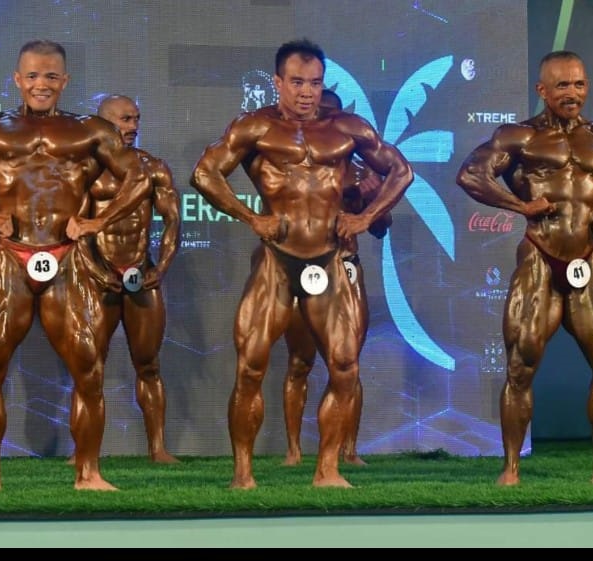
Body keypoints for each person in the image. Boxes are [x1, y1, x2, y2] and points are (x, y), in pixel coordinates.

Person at [191, 38, 413, 488]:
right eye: (297, 82)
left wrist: (365, 217)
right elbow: (204, 173)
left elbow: (401, 170)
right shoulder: (255, 127)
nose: (306, 92)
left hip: (329, 260)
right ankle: (243, 474)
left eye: (314, 83)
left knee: (345, 366)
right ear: (278, 82)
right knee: (250, 367)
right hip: (277, 261)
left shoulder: (346, 128)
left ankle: (327, 469)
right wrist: (251, 217)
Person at [456, 51, 593, 486]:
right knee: (521, 364)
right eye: (562, 86)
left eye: (579, 84)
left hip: (586, 260)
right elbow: (471, 174)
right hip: (539, 255)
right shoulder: (520, 137)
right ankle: (511, 470)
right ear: (542, 90)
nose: (572, 93)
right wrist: (520, 205)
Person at [0, 40, 150, 491]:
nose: (41, 84)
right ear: (17, 79)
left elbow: (139, 176)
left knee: (88, 368)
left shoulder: (89, 131)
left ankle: (89, 474)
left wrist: (99, 220)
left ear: (65, 81)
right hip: (11, 256)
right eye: (32, 76)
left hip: (66, 257)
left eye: (50, 76)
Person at [282, 89, 392, 467]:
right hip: (297, 265)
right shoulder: (289, 162)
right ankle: (294, 451)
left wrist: (366, 205)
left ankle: (349, 450)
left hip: (344, 265)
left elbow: (381, 228)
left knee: (347, 363)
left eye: (330, 114)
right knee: (299, 361)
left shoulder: (363, 170)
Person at [78, 94, 180, 464]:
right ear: (104, 124)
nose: (133, 126)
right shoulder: (85, 170)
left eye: (136, 118)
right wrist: (93, 269)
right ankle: (83, 452)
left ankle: (158, 448)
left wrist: (161, 267)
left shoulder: (153, 168)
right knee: (89, 368)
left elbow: (172, 221)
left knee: (149, 364)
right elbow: (76, 228)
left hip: (141, 272)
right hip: (97, 276)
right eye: (125, 119)